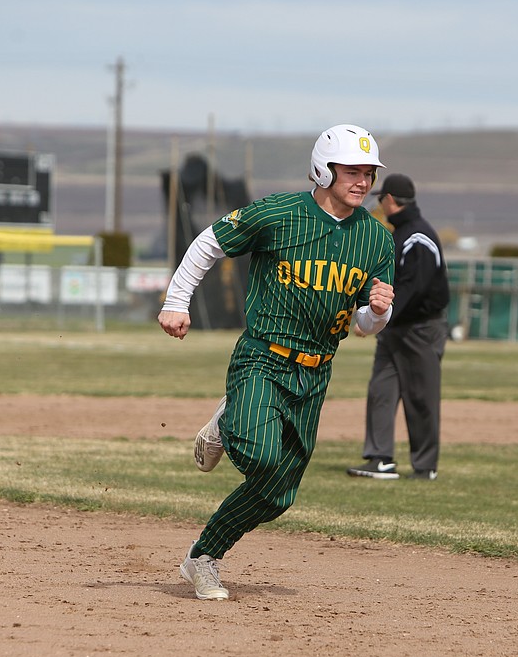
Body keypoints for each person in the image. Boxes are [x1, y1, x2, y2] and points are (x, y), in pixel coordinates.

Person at [158, 124, 396, 600]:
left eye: (368, 173)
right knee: (262, 455)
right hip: (264, 357)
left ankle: (202, 558)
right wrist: (176, 301)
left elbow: (363, 326)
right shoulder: (280, 212)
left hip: (316, 372)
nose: (362, 182)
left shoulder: (377, 240)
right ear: (322, 170)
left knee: (278, 492)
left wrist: (378, 311)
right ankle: (230, 423)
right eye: (351, 171)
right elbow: (209, 242)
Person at [347, 173, 450, 481]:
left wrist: (379, 317)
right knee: (381, 388)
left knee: (421, 396)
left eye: (381, 198)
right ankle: (380, 459)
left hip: (419, 328)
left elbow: (412, 289)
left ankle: (425, 466)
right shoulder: (400, 234)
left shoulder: (418, 236)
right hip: (395, 328)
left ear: (390, 200)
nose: (380, 204)